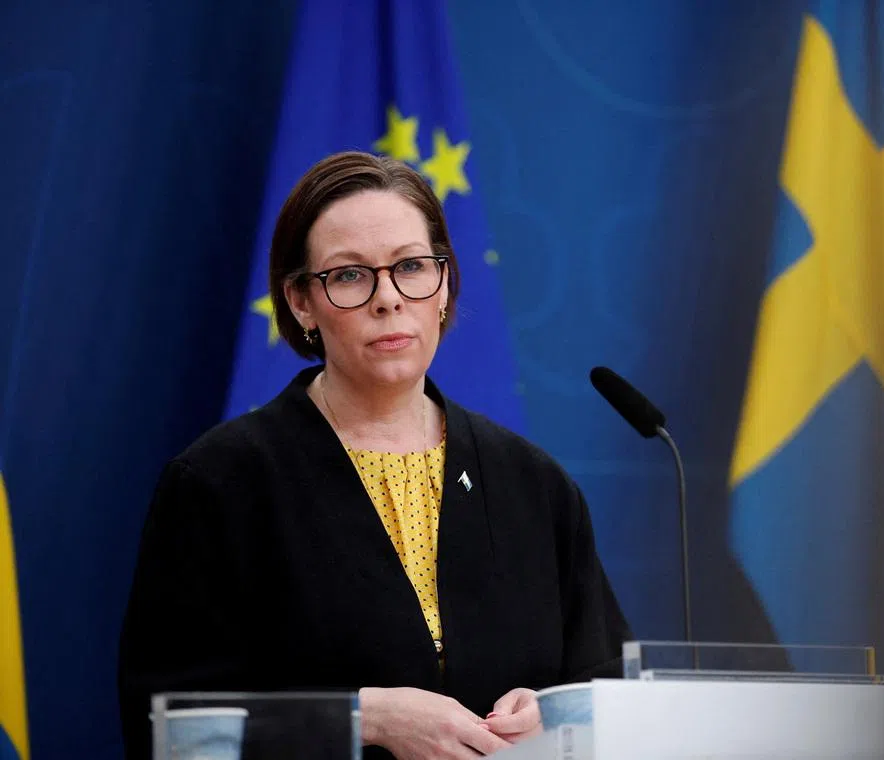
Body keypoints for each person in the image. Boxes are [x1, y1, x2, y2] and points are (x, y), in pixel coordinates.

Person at [118, 151, 631, 759]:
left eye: (412, 267)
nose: (388, 298)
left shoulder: (533, 485)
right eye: (351, 275)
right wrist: (364, 719)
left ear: (444, 286)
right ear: (301, 301)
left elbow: (609, 696)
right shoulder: (220, 483)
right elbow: (173, 732)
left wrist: (550, 715)